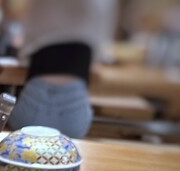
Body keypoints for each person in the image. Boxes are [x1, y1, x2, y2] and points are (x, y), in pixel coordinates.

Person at [7, 0, 118, 138]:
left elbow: (24, 50)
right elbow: (101, 53)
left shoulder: (43, 6)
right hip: (74, 113)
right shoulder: (101, 6)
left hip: (32, 105)